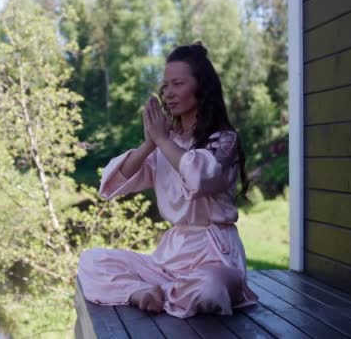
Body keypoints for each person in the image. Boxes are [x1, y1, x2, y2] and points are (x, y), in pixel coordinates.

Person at [77, 42, 259, 318]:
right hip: (171, 257)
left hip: (215, 257)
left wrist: (162, 139)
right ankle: (143, 292)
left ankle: (163, 291)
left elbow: (199, 177)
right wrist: (150, 143)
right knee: (91, 260)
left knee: (212, 288)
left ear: (201, 87)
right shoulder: (167, 144)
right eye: (165, 86)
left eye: (177, 84)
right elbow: (111, 186)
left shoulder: (224, 141)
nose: (168, 94)